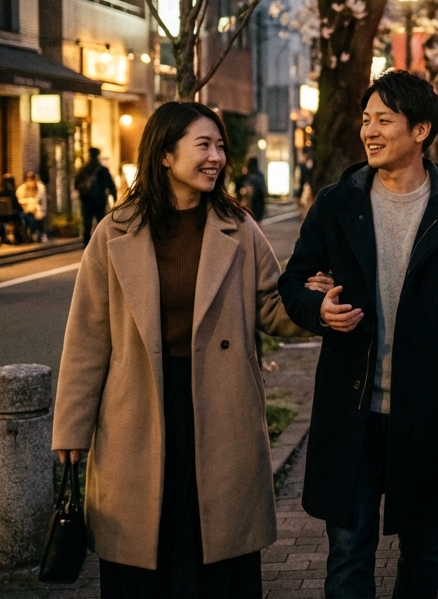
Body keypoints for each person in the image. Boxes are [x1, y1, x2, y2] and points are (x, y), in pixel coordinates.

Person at [53, 101, 309, 598]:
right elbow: (87, 336)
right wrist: (71, 426)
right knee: (144, 550)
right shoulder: (114, 232)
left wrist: (316, 306)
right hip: (138, 409)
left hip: (220, 405)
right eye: (203, 145)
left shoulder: (239, 227)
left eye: (220, 147)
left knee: (219, 551)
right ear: (166, 155)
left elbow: (273, 308)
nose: (216, 157)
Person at [278, 71, 438, 599]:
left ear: (420, 130)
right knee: (349, 554)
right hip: (351, 409)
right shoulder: (338, 203)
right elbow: (295, 279)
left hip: (425, 410)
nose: (369, 131)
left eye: (384, 120)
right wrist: (318, 309)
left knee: (422, 555)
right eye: (365, 120)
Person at [74, 147, 118, 245]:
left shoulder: (83, 169)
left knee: (87, 222)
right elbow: (110, 185)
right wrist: (114, 198)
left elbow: (76, 185)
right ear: (98, 156)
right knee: (101, 222)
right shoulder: (103, 170)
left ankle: (86, 244)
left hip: (86, 200)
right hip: (100, 200)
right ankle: (100, 244)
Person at [15, 172, 47, 242]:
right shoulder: (22, 189)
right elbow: (19, 199)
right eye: (29, 179)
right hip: (25, 210)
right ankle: (33, 233)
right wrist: (27, 202)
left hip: (36, 209)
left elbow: (41, 200)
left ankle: (39, 233)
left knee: (39, 218)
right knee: (30, 219)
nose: (30, 181)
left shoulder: (39, 188)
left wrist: (41, 209)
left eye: (32, 179)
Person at [240, 157, 266, 222]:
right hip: (258, 201)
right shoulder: (259, 175)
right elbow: (263, 189)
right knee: (257, 221)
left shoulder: (246, 176)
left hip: (250, 202)